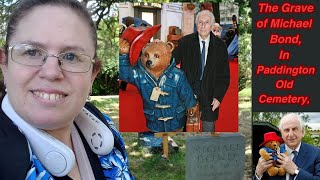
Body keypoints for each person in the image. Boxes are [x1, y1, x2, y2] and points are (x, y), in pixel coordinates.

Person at [0, 0, 134, 179]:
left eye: (71, 56)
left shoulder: (105, 127)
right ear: (4, 64)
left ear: (93, 74)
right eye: (32, 52)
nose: (51, 72)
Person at [172, 10, 230, 132]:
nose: (203, 25)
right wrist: (160, 49)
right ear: (196, 24)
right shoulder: (185, 42)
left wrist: (218, 97)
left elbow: (224, 75)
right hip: (188, 92)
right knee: (187, 129)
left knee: (209, 131)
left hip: (210, 93)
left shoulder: (221, 46)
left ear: (212, 25)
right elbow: (170, 61)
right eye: (200, 22)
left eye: (206, 22)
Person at [254, 113, 320, 180]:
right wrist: (258, 173)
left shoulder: (316, 153)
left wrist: (296, 171)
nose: (290, 134)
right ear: (281, 134)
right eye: (286, 130)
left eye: (294, 129)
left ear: (302, 132)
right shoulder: (270, 153)